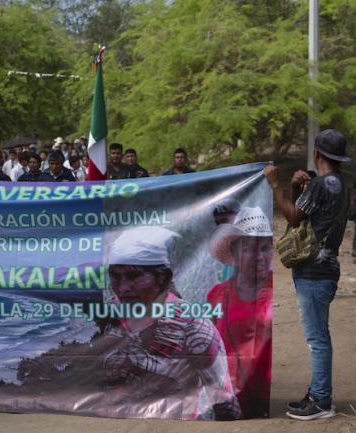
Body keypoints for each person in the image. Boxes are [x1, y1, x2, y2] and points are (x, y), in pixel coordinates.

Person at [103, 227, 241, 420]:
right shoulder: (105, 317)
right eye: (115, 276)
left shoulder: (194, 330)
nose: (123, 288)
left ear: (163, 278)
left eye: (134, 276)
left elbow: (224, 402)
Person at [264, 129, 350, 421]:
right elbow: (319, 214)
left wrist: (276, 186)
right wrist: (303, 187)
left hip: (314, 270)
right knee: (319, 335)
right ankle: (316, 393)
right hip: (327, 268)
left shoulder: (321, 184)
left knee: (316, 338)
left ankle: (322, 401)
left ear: (317, 154)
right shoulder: (340, 183)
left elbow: (292, 217)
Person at [207, 206, 274, 418]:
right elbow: (210, 349)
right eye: (249, 249)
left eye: (265, 248)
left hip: (265, 398)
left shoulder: (276, 291)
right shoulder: (217, 296)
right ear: (235, 252)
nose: (259, 256)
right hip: (229, 399)